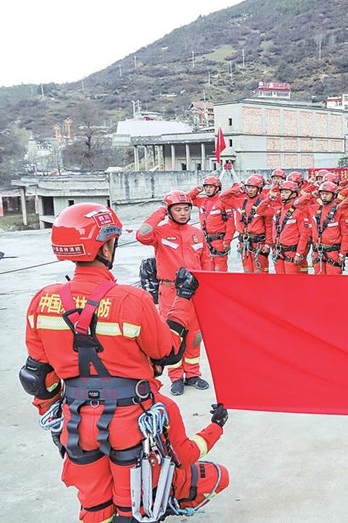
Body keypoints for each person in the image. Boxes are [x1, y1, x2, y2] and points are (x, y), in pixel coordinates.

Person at [20, 202, 229, 522]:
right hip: (131, 422)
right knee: (134, 506)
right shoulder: (132, 300)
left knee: (94, 508)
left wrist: (57, 422)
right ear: (106, 246)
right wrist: (183, 300)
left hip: (75, 423)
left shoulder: (42, 301)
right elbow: (169, 352)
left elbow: (38, 377)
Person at [137, 191, 212, 395]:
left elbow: (206, 261)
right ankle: (176, 376)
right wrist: (161, 211)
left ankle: (193, 373)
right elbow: (142, 235)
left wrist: (208, 288)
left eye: (186, 209)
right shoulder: (160, 233)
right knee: (172, 335)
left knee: (194, 335)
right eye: (177, 209)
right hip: (170, 291)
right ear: (169, 211)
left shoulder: (197, 233)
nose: (183, 213)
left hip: (195, 292)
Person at [221, 174, 272, 273]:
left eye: (253, 188)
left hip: (259, 243)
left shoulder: (263, 203)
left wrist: (268, 244)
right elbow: (223, 197)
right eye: (248, 187)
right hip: (244, 244)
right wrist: (238, 188)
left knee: (260, 272)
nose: (250, 190)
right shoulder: (239, 202)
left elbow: (269, 225)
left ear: (258, 189)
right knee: (247, 271)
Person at [258, 181, 312, 274]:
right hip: (278, 252)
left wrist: (299, 253)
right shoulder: (277, 210)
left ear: (294, 194)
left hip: (291, 253)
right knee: (280, 280)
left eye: (286, 192)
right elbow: (259, 211)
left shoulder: (299, 212)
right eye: (282, 192)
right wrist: (268, 199)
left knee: (291, 281)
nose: (283, 194)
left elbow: (304, 235)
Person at [303, 181, 348, 275]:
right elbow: (298, 204)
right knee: (319, 281)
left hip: (333, 253)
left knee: (333, 281)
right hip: (318, 252)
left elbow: (346, 235)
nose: (324, 196)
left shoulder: (339, 211)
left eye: (327, 194)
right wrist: (310, 195)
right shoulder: (314, 209)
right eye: (322, 194)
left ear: (334, 195)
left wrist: (342, 253)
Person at [189, 176, 236, 272]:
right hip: (205, 241)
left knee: (219, 270)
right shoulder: (201, 201)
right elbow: (187, 199)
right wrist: (196, 191)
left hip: (219, 242)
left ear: (217, 188)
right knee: (207, 269)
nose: (208, 189)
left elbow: (230, 224)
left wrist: (227, 241)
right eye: (206, 187)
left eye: (210, 187)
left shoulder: (224, 202)